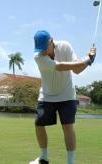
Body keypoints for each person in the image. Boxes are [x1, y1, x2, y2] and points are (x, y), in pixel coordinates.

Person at [29, 30, 96, 164]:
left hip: (67, 95)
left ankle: (70, 162)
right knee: (38, 124)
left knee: (67, 127)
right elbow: (60, 66)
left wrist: (88, 60)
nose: (42, 51)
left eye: (44, 48)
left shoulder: (65, 46)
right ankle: (43, 157)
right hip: (46, 96)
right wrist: (86, 60)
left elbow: (76, 70)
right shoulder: (38, 57)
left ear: (51, 41)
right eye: (39, 48)